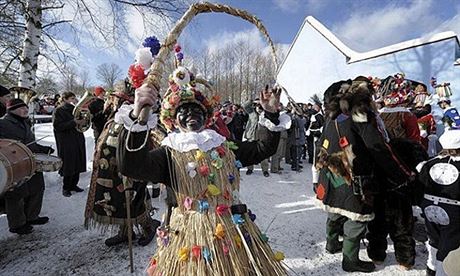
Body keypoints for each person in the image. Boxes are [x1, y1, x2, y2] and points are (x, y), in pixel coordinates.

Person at [116, 66, 289, 275]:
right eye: (184, 111)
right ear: (173, 119)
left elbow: (263, 148)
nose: (191, 114)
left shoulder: (223, 145)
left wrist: (270, 113)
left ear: (206, 117)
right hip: (190, 236)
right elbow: (132, 166)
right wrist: (138, 117)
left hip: (230, 230)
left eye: (197, 110)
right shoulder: (169, 152)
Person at [314, 77, 414, 273]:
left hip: (331, 174)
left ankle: (332, 243)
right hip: (355, 177)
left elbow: (321, 146)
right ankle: (350, 260)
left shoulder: (331, 117)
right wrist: (402, 174)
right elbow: (377, 147)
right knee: (355, 218)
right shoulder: (359, 114)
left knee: (334, 210)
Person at [84, 80, 160, 247]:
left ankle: (148, 226)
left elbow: (139, 144)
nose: (109, 102)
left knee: (135, 202)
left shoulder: (132, 118)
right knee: (118, 202)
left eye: (114, 99)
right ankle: (125, 232)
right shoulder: (113, 116)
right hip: (110, 172)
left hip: (129, 172)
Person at [366, 74, 422, 270]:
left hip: (380, 170)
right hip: (401, 172)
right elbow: (416, 144)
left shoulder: (379, 116)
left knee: (379, 215)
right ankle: (405, 258)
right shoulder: (408, 116)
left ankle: (377, 254)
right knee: (402, 218)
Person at [0, 99, 53, 234]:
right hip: (13, 164)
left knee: (37, 187)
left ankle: (32, 216)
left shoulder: (25, 122)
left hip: (30, 160)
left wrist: (44, 149)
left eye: (25, 107)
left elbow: (31, 143)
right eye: (21, 108)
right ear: (11, 110)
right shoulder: (3, 123)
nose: (25, 110)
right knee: (16, 194)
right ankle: (17, 224)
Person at [417, 129, 460, 276]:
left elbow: (419, 185)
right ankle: (443, 272)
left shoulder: (429, 163)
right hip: (453, 210)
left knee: (434, 238)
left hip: (428, 207)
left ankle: (432, 267)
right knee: (449, 243)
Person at [53, 92, 86, 197]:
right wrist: (74, 122)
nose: (74, 99)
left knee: (78, 162)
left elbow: (82, 121)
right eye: (72, 98)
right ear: (65, 99)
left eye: (74, 97)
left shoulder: (75, 109)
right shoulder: (59, 110)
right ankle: (66, 187)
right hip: (67, 141)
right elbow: (57, 126)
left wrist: (83, 121)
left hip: (77, 138)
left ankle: (74, 185)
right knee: (69, 164)